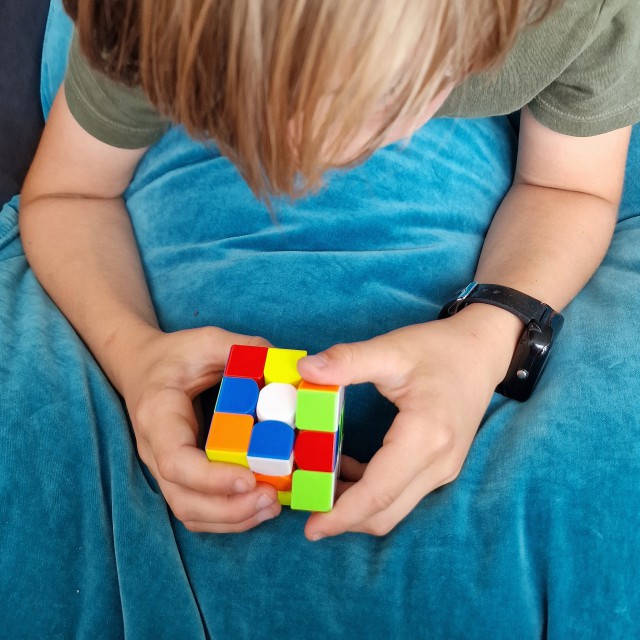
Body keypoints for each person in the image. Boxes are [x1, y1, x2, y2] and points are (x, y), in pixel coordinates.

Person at [18, 0, 640, 547]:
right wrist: (134, 357)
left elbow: (567, 185)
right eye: (240, 117)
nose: (318, 159)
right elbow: (70, 194)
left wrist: (487, 338)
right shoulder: (146, 21)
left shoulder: (576, 14)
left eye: (385, 104)